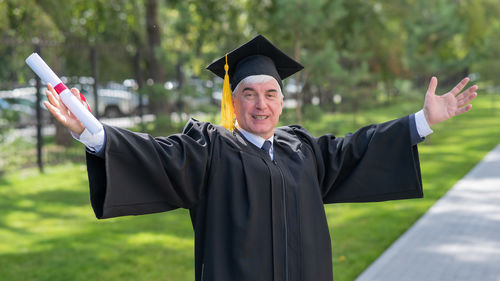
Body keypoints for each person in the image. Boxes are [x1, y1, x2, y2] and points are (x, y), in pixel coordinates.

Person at [43, 35, 478, 281]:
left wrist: (422, 120)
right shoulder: (209, 149)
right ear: (233, 102)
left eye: (270, 94)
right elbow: (157, 157)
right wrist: (94, 134)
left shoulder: (302, 150)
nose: (260, 104)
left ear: (283, 103)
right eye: (248, 94)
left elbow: (357, 149)